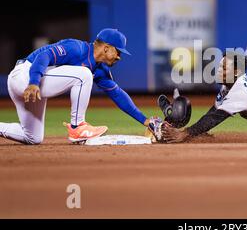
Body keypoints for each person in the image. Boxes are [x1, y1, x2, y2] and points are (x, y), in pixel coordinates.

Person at [0, 29, 162, 145]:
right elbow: (44, 56)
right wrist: (33, 82)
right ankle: (78, 127)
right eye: (118, 51)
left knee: (33, 137)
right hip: (25, 75)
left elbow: (117, 94)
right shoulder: (77, 48)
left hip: (35, 84)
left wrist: (145, 121)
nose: (119, 57)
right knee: (83, 74)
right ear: (106, 48)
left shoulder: (100, 69)